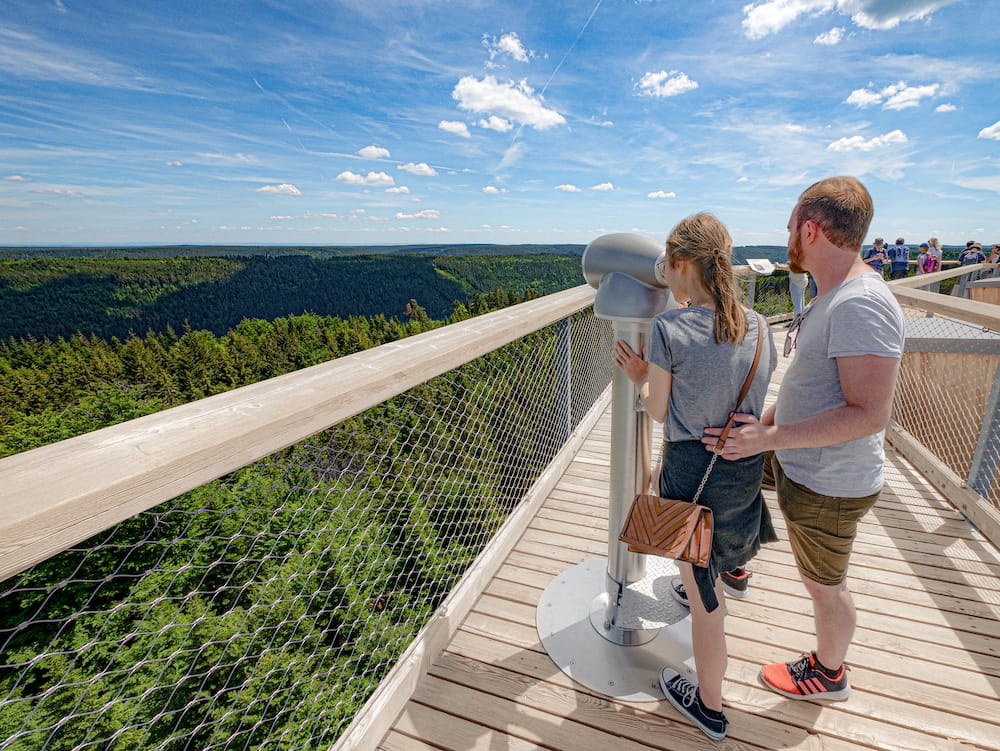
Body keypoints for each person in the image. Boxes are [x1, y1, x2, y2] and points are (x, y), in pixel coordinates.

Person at [701, 176, 904, 704]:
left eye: (791, 226)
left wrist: (771, 437)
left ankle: (829, 672)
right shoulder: (834, 293)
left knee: (824, 585)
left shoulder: (861, 304)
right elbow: (811, 387)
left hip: (829, 484)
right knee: (734, 479)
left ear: (811, 230)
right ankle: (734, 562)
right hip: (801, 459)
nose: (787, 235)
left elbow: (868, 414)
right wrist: (763, 428)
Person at [613, 212, 777, 741]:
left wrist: (642, 377)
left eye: (668, 264)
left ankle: (709, 707)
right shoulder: (758, 324)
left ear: (683, 265)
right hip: (744, 472)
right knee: (722, 547)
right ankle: (734, 568)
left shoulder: (667, 329)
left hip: (693, 479)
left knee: (707, 607)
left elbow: (658, 411)